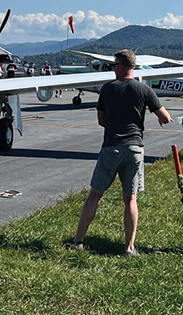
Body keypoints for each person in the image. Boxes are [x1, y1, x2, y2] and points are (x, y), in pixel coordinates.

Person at [62, 50, 171, 256]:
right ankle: (129, 247)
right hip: (135, 148)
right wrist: (158, 118)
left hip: (111, 146)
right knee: (130, 199)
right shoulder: (144, 89)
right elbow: (165, 117)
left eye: (114, 65)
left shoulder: (107, 89)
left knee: (95, 194)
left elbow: (101, 120)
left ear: (121, 66)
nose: (113, 69)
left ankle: (78, 241)